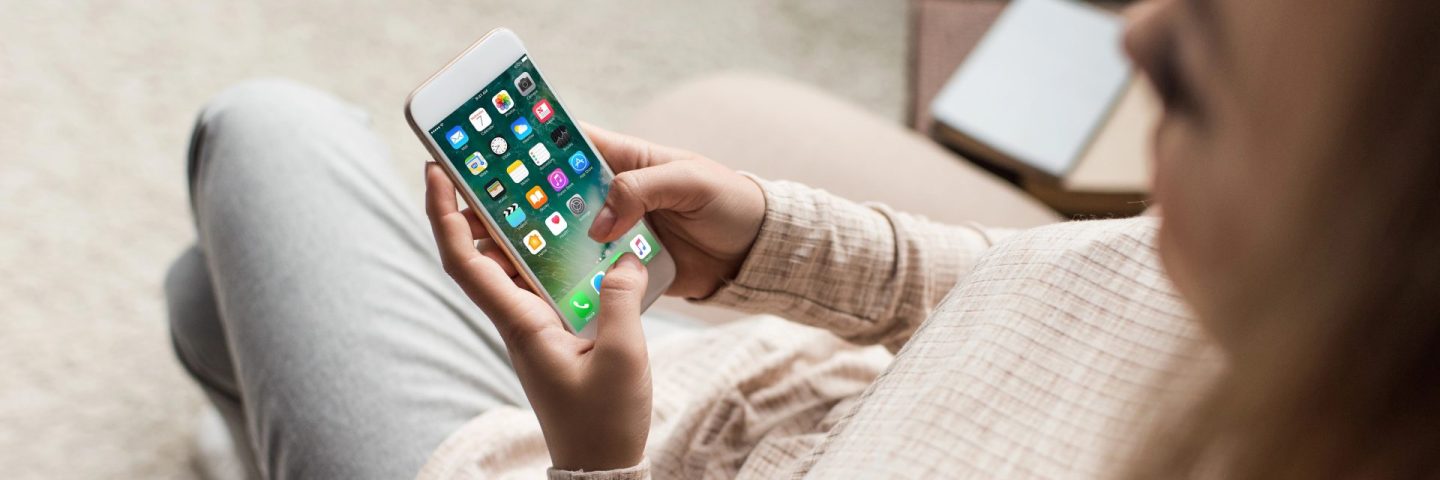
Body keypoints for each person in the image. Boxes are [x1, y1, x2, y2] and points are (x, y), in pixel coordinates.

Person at [166, 0, 1440, 478]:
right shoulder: (1247, 306)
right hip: (745, 401)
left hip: (604, 454)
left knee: (259, 130)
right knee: (221, 294)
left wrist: (595, 458)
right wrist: (774, 241)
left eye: (1200, 82)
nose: (1133, 32)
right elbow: (1042, 301)